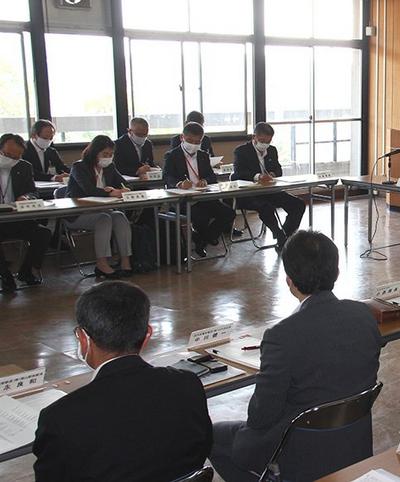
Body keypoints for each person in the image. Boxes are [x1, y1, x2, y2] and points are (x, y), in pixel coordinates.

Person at [210, 230, 381, 482]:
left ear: (289, 281)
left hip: (299, 450)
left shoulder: (282, 336)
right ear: (336, 272)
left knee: (212, 436)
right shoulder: (364, 315)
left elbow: (261, 416)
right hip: (354, 441)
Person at [32, 281, 212, 481]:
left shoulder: (60, 418)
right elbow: (202, 448)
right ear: (147, 335)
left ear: (83, 339)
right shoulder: (187, 384)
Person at [163, 122, 235, 257]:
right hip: (184, 200)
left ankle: (203, 239)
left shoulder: (203, 155)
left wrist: (205, 180)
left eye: (197, 142)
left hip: (203, 197)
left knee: (228, 213)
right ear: (182, 137)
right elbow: (167, 177)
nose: (193, 144)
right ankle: (203, 239)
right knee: (201, 217)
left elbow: (211, 176)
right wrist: (179, 184)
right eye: (190, 141)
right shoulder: (171, 155)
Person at [65, 135, 133, 278]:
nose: (108, 158)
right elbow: (88, 190)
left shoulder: (110, 167)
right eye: (104, 154)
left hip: (102, 209)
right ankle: (102, 263)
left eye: (110, 154)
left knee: (120, 217)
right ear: (94, 152)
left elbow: (125, 183)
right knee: (104, 219)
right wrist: (109, 193)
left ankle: (125, 261)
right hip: (78, 213)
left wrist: (124, 189)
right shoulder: (79, 167)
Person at [231, 122, 306, 251]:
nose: (265, 144)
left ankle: (286, 235)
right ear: (254, 137)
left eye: (268, 141)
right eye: (262, 141)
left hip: (270, 191)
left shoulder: (272, 150)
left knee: (298, 204)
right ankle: (279, 235)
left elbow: (278, 169)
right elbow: (238, 173)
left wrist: (273, 174)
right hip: (249, 194)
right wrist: (257, 176)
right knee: (266, 207)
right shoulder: (241, 151)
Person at [0, 134, 51, 292]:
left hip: (17, 218)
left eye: (17, 156)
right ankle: (5, 275)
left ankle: (26, 270)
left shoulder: (24, 167)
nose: (12, 160)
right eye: (8, 155)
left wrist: (26, 197)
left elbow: (33, 192)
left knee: (43, 233)